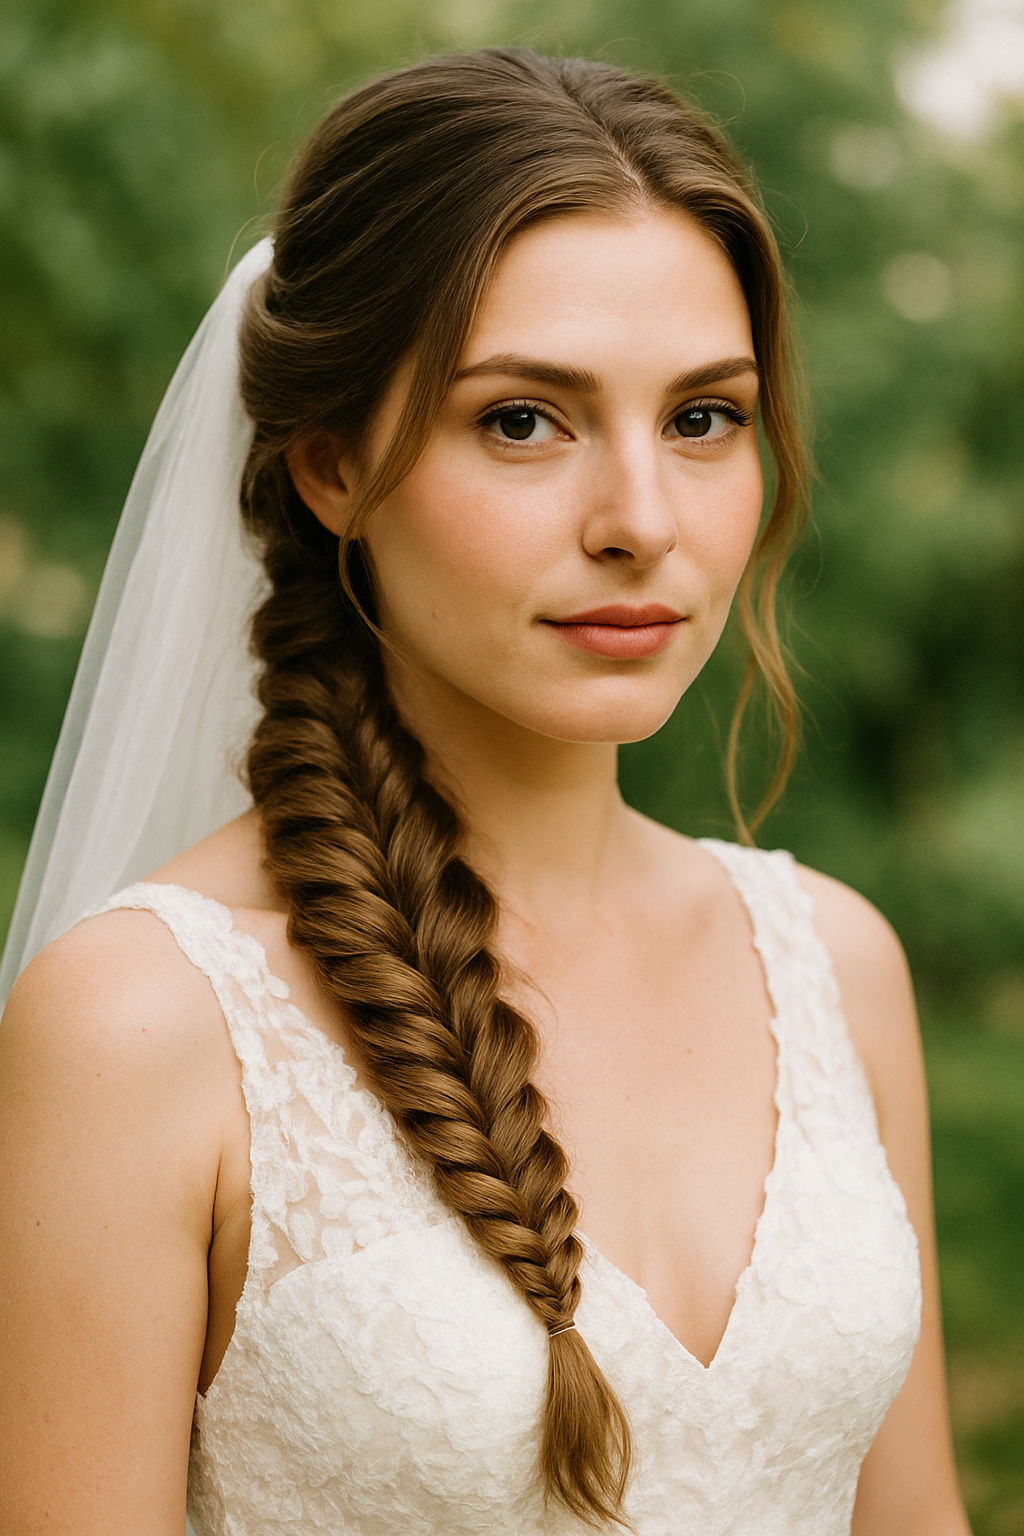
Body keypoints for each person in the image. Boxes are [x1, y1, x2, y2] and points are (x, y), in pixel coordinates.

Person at [0, 46, 970, 1536]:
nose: (641, 522)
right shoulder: (141, 1024)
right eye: (524, 420)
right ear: (330, 466)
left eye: (704, 418)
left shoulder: (836, 965)